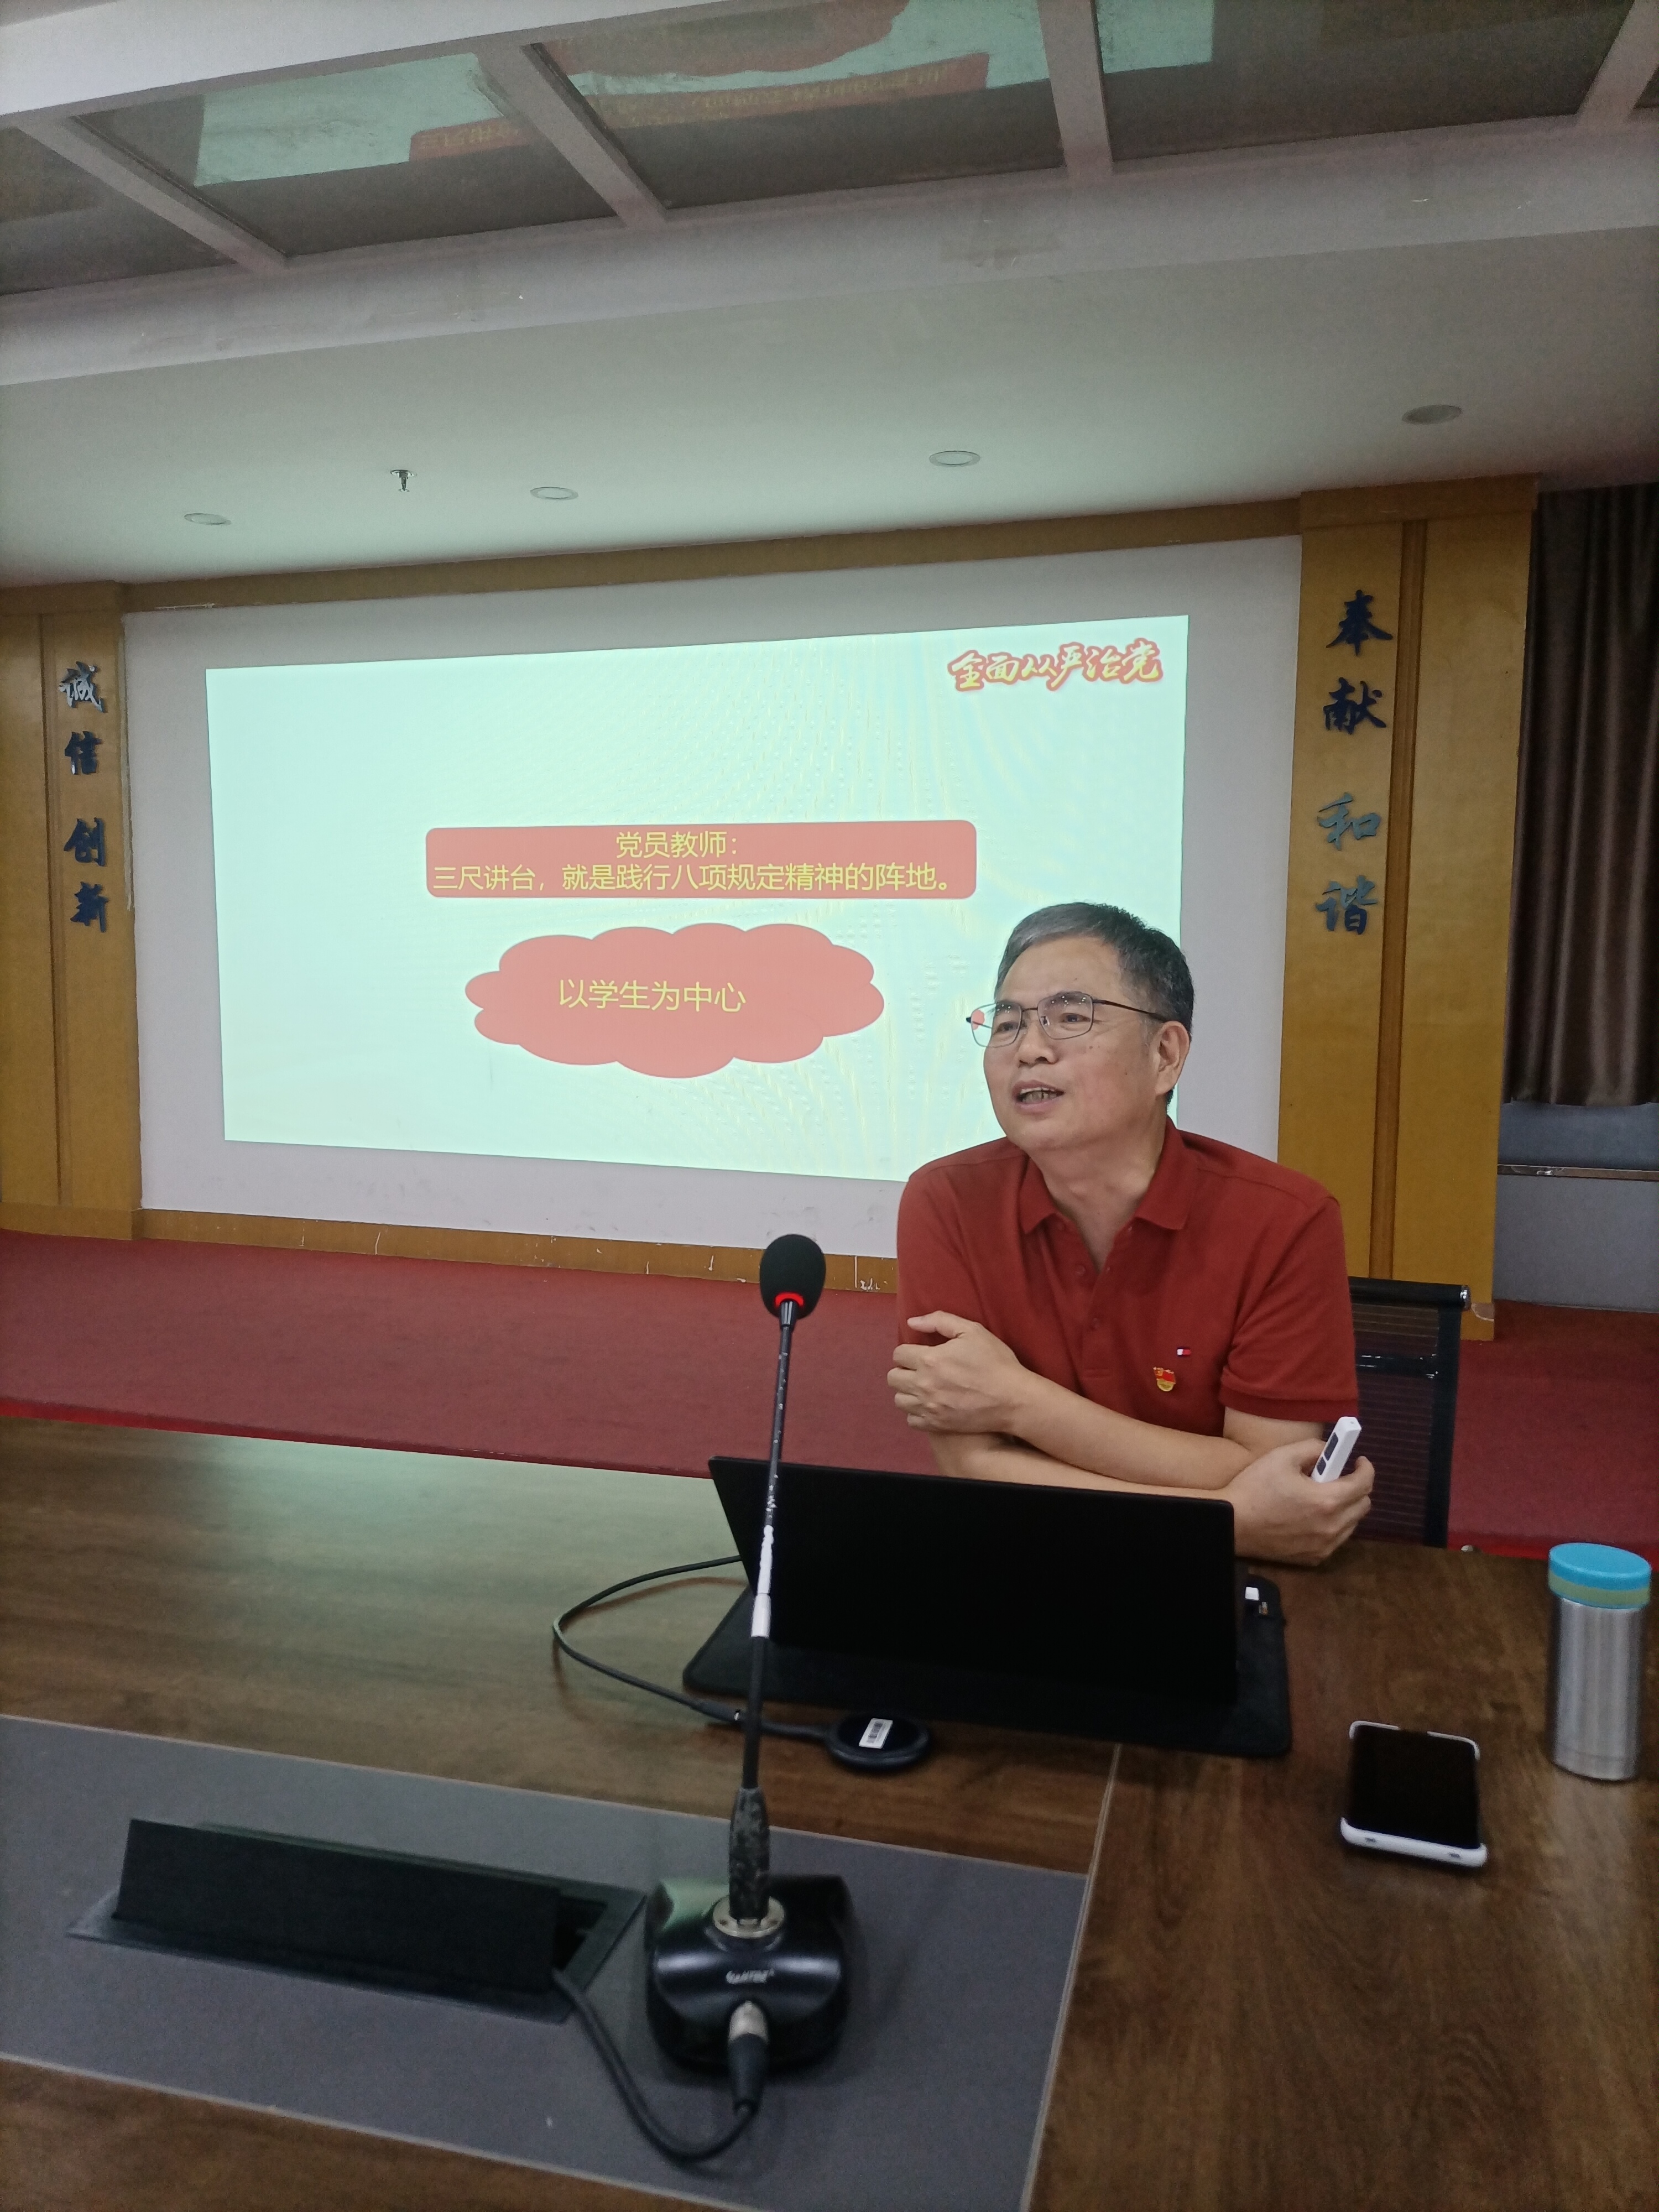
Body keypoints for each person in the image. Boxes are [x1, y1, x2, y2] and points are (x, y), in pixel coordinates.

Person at [888, 902, 1374, 1566]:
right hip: (1023, 1561)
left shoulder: (1285, 1220)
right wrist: (1227, 1520)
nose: (1029, 1048)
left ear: (1165, 1055)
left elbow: (1275, 1473)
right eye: (1007, 1022)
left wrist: (1017, 1401)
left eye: (1070, 1017)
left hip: (1211, 1584)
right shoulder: (945, 1200)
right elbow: (972, 1463)